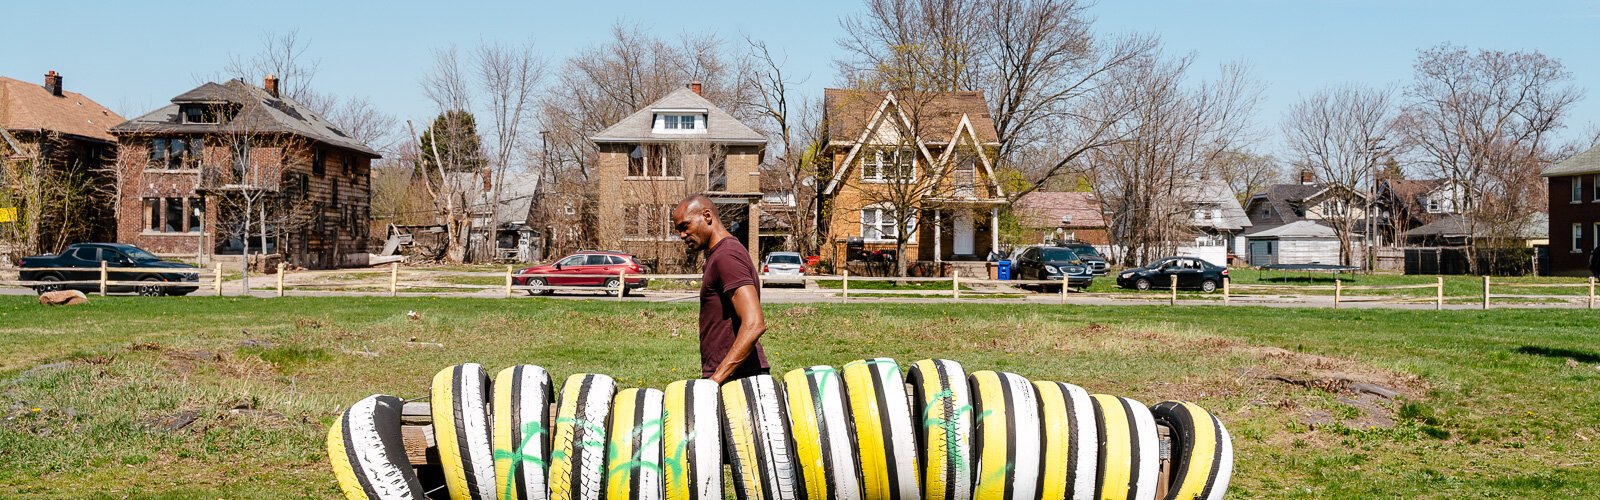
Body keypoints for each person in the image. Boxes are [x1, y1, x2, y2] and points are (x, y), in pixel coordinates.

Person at [670, 195, 768, 384]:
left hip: (738, 379)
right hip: (730, 376)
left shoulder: (727, 255)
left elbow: (754, 324)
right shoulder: (719, 254)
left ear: (707, 216)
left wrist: (715, 380)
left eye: (685, 226)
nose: (682, 235)